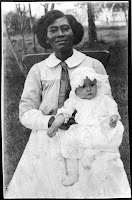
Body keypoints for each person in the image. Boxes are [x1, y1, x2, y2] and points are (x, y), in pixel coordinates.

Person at [4, 10, 130, 198]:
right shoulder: (38, 71)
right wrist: (50, 121)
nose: (60, 34)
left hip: (88, 134)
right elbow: (26, 112)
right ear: (46, 37)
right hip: (49, 135)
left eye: (65, 28)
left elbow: (106, 102)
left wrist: (106, 123)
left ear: (74, 33)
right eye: (53, 30)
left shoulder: (93, 65)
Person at [47, 67, 130, 195]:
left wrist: (113, 117)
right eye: (84, 86)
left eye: (92, 85)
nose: (89, 89)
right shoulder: (74, 100)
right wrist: (54, 126)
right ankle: (73, 174)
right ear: (75, 89)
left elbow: (112, 107)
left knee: (99, 145)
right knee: (69, 143)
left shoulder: (103, 98)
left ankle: (90, 157)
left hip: (99, 128)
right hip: (82, 128)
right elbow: (65, 113)